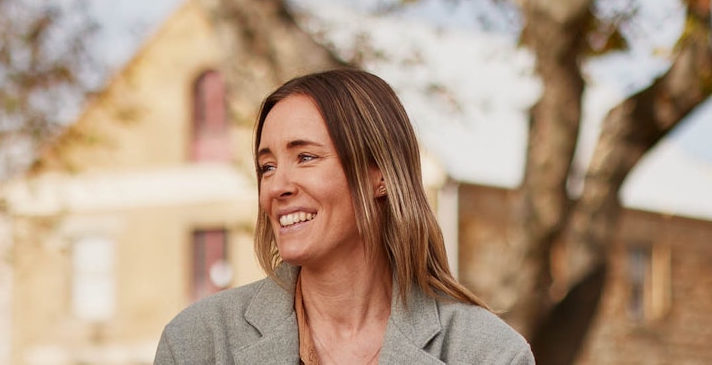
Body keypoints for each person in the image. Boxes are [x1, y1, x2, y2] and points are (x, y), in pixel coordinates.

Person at [155, 70, 533, 364]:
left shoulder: (488, 354)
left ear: (379, 174)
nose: (276, 187)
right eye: (267, 166)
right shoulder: (199, 342)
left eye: (305, 157)